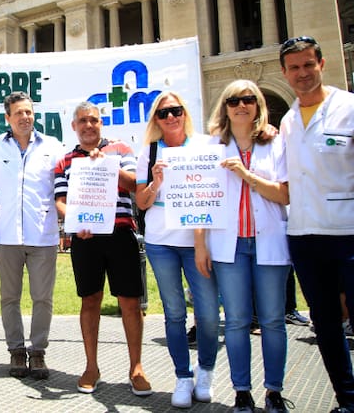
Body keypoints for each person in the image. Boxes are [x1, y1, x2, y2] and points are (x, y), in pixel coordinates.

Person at [194, 80, 292, 412]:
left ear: (258, 105)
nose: (241, 105)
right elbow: (201, 200)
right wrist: (200, 245)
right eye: (234, 100)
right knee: (235, 320)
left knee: (273, 320)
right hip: (229, 246)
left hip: (268, 242)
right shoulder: (212, 146)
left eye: (248, 99)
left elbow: (285, 193)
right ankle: (241, 392)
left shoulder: (275, 143)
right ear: (225, 106)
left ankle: (274, 391)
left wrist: (247, 174)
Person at [54, 101, 152, 396]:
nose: (88, 125)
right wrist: (73, 220)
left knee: (130, 302)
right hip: (86, 239)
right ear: (74, 126)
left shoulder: (121, 150)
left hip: (120, 233)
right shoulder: (65, 160)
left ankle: (136, 367)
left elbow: (136, 184)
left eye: (94, 120)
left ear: (101, 124)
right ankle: (91, 366)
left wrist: (106, 165)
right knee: (90, 300)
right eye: (83, 121)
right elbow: (60, 200)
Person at [278, 36, 354, 413]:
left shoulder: (349, 108)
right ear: (285, 73)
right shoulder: (288, 120)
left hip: (348, 232)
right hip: (305, 236)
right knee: (325, 326)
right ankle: (347, 400)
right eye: (294, 67)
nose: (302, 73)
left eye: (308, 65)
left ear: (321, 65)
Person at [134, 91, 219, 409]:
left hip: (198, 242)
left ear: (185, 113)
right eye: (163, 113)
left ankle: (206, 371)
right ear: (156, 119)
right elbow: (142, 202)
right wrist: (155, 182)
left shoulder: (204, 145)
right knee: (174, 313)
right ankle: (183, 376)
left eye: (176, 110)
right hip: (160, 241)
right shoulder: (150, 151)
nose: (171, 117)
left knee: (209, 315)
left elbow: (211, 193)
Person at [0, 91, 64, 380]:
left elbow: (66, 185)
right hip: (5, 236)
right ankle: (16, 350)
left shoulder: (53, 147)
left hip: (42, 235)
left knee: (43, 298)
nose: (25, 117)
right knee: (9, 297)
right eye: (18, 113)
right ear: (8, 118)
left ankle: (38, 351)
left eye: (29, 112)